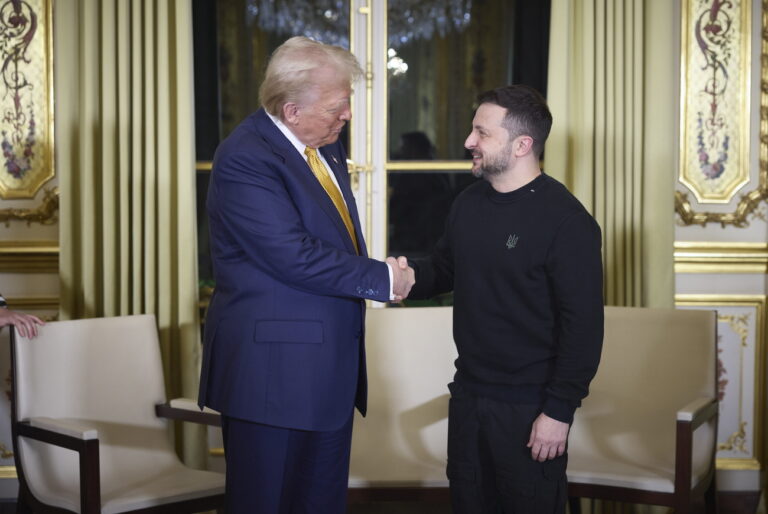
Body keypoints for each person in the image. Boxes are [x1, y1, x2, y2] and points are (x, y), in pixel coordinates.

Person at [197, 36, 414, 514]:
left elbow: (330, 241)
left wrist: (377, 272)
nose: (348, 115)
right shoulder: (246, 158)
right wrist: (381, 277)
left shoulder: (324, 146)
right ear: (291, 110)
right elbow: (291, 254)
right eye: (340, 104)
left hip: (326, 374)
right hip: (271, 378)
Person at [397, 85, 604, 513]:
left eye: (482, 133)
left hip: (532, 408)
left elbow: (582, 329)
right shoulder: (468, 202)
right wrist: (402, 279)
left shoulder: (568, 222)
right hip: (469, 395)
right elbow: (445, 269)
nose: (469, 142)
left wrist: (558, 412)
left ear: (522, 144)